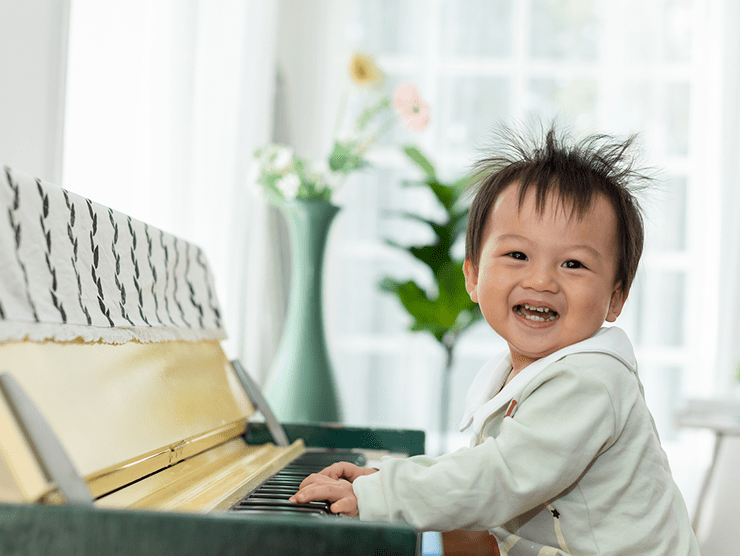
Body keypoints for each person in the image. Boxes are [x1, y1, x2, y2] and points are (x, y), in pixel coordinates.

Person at [290, 126, 700, 555]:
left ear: (615, 297)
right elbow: (484, 468)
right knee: (457, 534)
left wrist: (387, 495)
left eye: (573, 264)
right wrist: (387, 480)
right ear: (472, 276)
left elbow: (501, 475)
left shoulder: (591, 381)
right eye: (518, 255)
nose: (542, 280)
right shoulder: (519, 374)